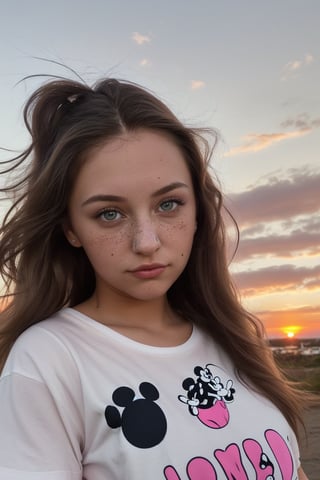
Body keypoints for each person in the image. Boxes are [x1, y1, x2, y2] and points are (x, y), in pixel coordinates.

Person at [0, 77, 311, 479]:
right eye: (109, 213)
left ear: (198, 210)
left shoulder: (233, 337)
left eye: (169, 204)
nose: (146, 242)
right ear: (70, 228)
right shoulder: (48, 361)